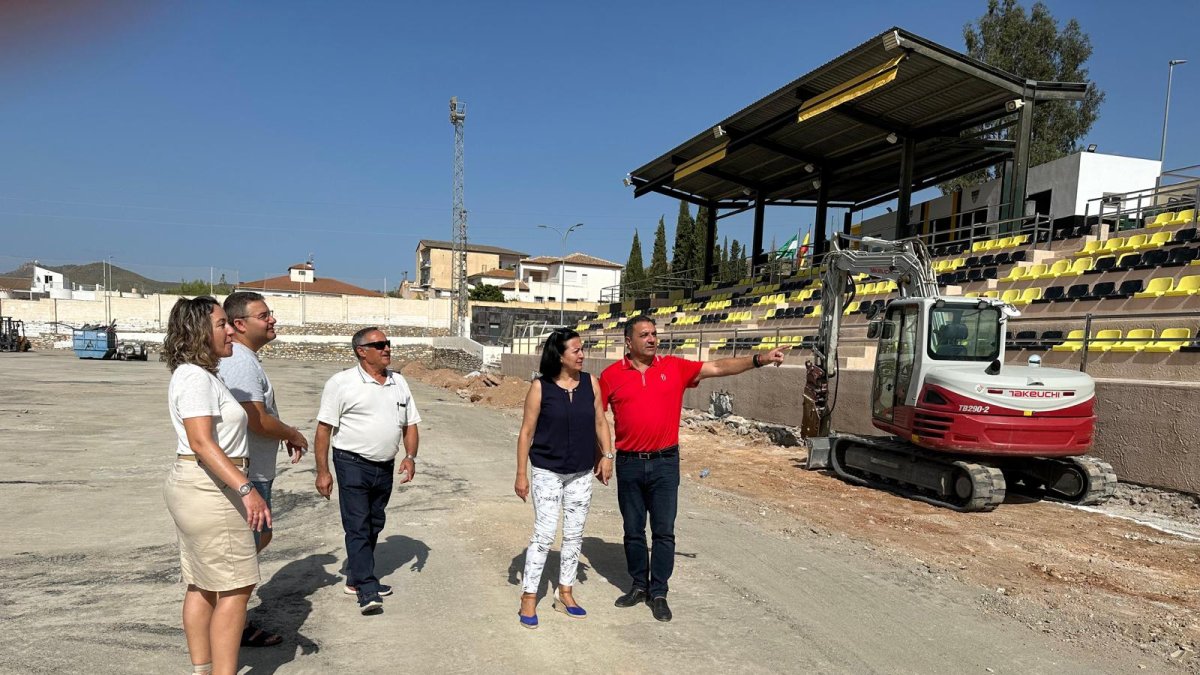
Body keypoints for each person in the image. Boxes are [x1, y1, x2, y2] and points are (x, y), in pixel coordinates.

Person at [600, 315, 787, 622]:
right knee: (633, 530)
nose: (652, 339)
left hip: (664, 463)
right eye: (644, 335)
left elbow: (718, 367)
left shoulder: (674, 367)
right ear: (628, 341)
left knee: (663, 531)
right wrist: (604, 454)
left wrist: (760, 359)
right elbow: (596, 416)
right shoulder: (610, 376)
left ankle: (659, 592)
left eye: (654, 333)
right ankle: (638, 586)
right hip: (629, 463)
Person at [161, 296, 271, 675]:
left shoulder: (200, 375)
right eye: (222, 324)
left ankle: (203, 670)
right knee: (236, 588)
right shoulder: (194, 377)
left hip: (200, 484)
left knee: (203, 585)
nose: (230, 332)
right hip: (212, 488)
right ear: (197, 332)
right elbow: (202, 442)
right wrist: (246, 489)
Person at [217, 291, 309, 647]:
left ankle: (230, 619)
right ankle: (230, 624)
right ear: (240, 324)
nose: (272, 320)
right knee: (242, 554)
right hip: (248, 474)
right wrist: (291, 433)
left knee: (257, 540)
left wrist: (281, 430)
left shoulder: (245, 358)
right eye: (264, 315)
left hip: (255, 470)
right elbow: (255, 418)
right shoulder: (240, 360)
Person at [314, 327, 420, 615]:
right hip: (352, 463)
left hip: (384, 466)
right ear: (361, 351)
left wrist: (410, 456)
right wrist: (323, 471)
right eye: (380, 345)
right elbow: (324, 429)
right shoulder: (341, 383)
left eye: (388, 343)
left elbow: (410, 424)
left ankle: (355, 578)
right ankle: (367, 589)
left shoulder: (398, 382)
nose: (387, 349)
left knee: (374, 523)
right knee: (357, 526)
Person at [514, 329, 614, 629]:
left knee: (574, 534)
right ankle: (529, 596)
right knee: (544, 534)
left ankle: (565, 593)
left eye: (582, 349)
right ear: (559, 356)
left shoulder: (591, 383)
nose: (582, 355)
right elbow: (526, 432)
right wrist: (521, 473)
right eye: (576, 350)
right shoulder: (540, 387)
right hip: (547, 471)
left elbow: (600, 421)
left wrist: (607, 455)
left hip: (581, 472)